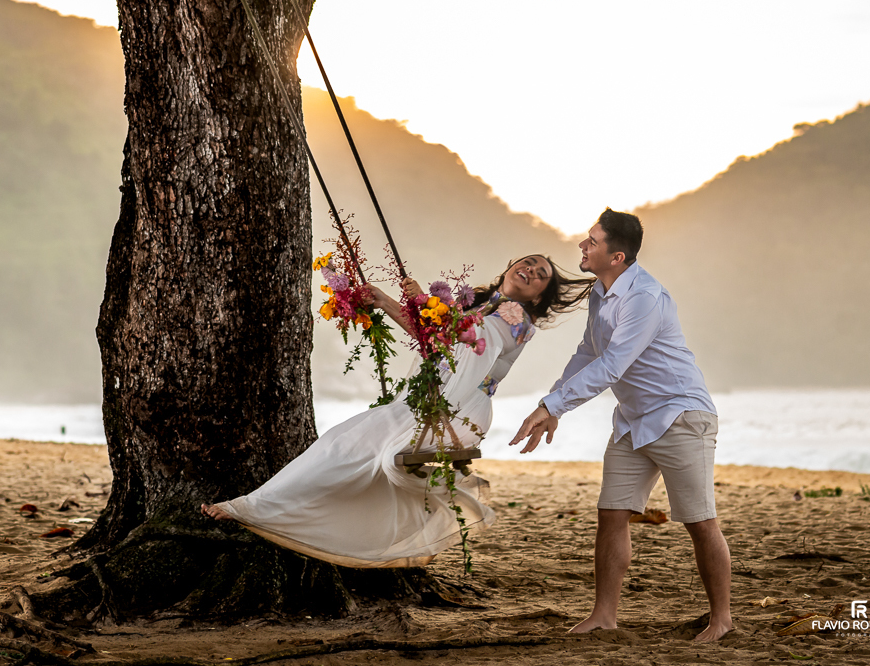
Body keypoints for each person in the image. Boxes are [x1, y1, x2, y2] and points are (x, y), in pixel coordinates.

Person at [202, 255, 593, 568]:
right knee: (343, 444)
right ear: (510, 267)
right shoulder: (474, 303)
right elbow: (431, 339)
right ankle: (263, 508)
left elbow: (466, 335)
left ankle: (256, 508)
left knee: (363, 451)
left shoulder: (518, 322)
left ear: (538, 297)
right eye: (528, 262)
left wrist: (425, 302)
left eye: (540, 275)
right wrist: (385, 301)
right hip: (425, 400)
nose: (530, 270)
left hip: (459, 412)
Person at [511, 209, 733, 642]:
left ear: (617, 257)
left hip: (680, 415)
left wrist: (555, 404)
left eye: (592, 241)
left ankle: (721, 619)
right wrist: (551, 405)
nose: (583, 245)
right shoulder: (601, 292)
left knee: (700, 521)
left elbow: (613, 365)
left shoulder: (644, 297)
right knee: (611, 514)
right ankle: (604, 615)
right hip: (633, 420)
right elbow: (588, 353)